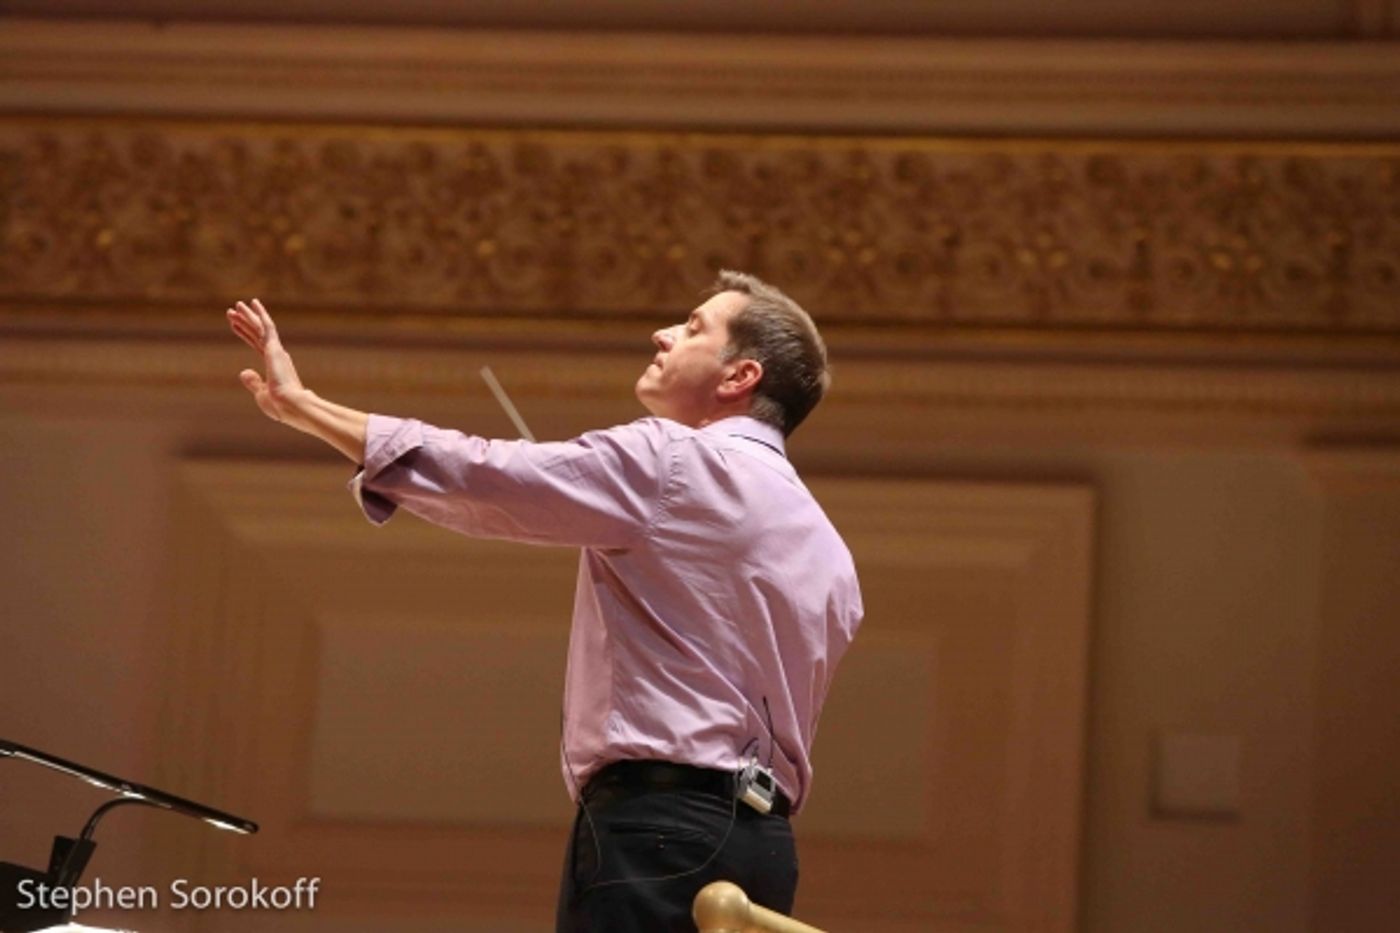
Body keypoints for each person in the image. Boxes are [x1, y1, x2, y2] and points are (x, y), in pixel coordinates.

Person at [226, 270, 863, 932]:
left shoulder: (672, 459)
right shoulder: (833, 553)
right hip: (766, 852)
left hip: (660, 833)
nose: (664, 332)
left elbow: (487, 474)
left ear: (739, 377)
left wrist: (304, 407)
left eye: (695, 326)